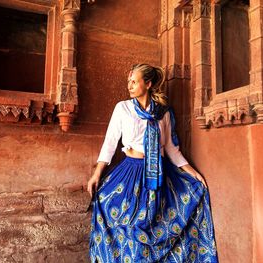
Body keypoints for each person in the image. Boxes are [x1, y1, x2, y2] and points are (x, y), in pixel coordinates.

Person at [87, 63, 219, 262]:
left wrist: (193, 172)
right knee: (124, 220)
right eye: (128, 82)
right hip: (130, 172)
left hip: (157, 174)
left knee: (154, 226)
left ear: (147, 84)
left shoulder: (163, 114)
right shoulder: (122, 108)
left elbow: (171, 149)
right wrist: (96, 174)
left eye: (134, 81)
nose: (129, 86)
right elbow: (110, 143)